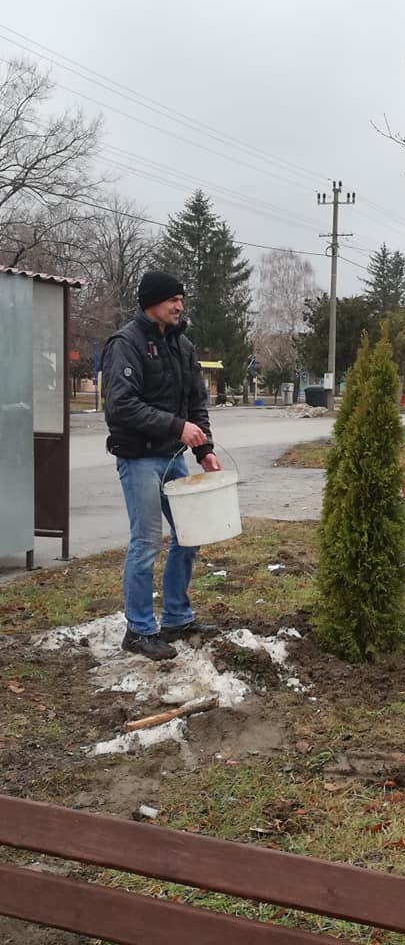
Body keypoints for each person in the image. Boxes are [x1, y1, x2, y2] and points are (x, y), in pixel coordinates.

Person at [102, 270, 222, 661]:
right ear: (151, 301)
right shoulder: (126, 343)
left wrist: (204, 450)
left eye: (181, 299)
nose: (179, 305)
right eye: (173, 299)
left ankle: (176, 619)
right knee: (146, 541)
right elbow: (121, 405)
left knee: (189, 536)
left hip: (173, 457)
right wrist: (176, 426)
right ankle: (138, 630)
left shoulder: (182, 346)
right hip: (139, 459)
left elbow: (195, 402)